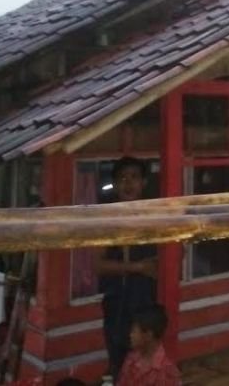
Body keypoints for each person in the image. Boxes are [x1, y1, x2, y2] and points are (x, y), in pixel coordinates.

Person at [95, 156, 159, 380]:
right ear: (114, 184)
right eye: (122, 178)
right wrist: (137, 267)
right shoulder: (108, 219)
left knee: (147, 368)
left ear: (143, 183)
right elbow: (99, 265)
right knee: (118, 367)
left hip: (148, 306)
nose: (128, 183)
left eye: (134, 178)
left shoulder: (154, 217)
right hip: (118, 306)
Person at [118, 305, 181, 386]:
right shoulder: (131, 358)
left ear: (148, 335)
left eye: (134, 331)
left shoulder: (166, 372)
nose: (130, 335)